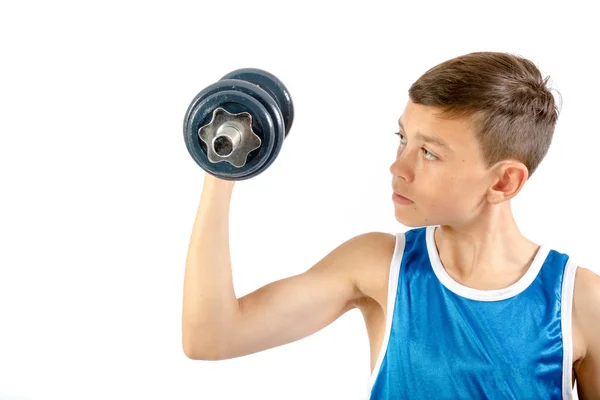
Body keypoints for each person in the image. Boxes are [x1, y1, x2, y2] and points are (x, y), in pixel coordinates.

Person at [181, 52, 600, 399]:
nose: (398, 166)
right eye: (403, 139)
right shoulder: (379, 266)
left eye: (430, 153)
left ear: (503, 181)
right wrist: (221, 173)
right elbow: (212, 336)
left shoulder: (579, 302)